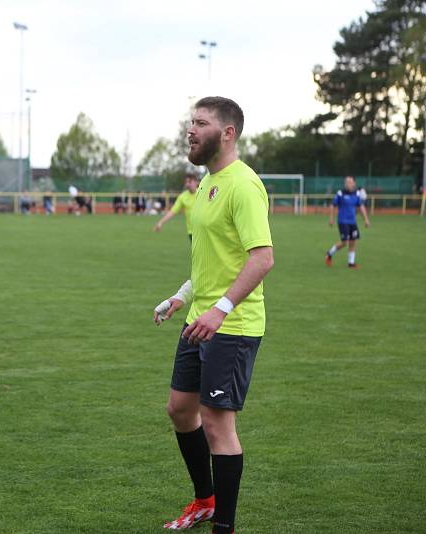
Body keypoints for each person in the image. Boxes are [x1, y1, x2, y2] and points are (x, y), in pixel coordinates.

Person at [152, 97, 274, 533]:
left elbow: (261, 258)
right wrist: (182, 296)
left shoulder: (243, 185)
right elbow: (215, 258)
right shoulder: (205, 185)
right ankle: (204, 501)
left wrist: (221, 310)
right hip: (199, 319)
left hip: (232, 326)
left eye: (201, 123)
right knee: (181, 410)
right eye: (190, 121)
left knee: (219, 426)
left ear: (227, 133)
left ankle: (224, 525)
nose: (190, 129)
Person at [325, 176, 370, 268]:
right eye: (346, 182)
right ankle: (329, 253)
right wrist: (331, 219)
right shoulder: (340, 193)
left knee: (353, 241)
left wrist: (366, 219)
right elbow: (333, 205)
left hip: (352, 222)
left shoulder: (357, 194)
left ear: (354, 183)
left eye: (350, 182)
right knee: (344, 242)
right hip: (343, 221)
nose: (347, 184)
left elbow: (361, 206)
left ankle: (351, 263)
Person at [154, 174, 201, 240]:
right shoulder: (182, 197)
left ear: (196, 182)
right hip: (191, 232)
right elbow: (172, 212)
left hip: (204, 230)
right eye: (186, 182)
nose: (187, 184)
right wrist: (161, 222)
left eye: (190, 181)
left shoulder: (203, 193)